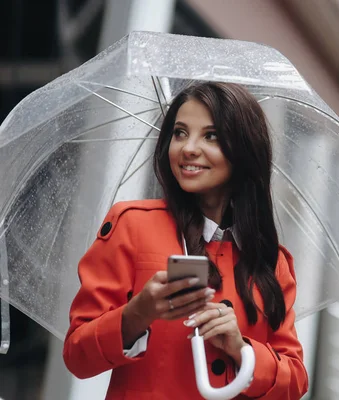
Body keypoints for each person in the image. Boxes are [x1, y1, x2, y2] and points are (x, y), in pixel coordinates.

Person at [63, 82, 309, 400]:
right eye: (180, 133)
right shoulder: (132, 225)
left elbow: (295, 381)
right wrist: (138, 313)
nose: (188, 148)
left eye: (211, 136)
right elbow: (76, 355)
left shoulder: (270, 261)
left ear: (245, 151)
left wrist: (241, 348)